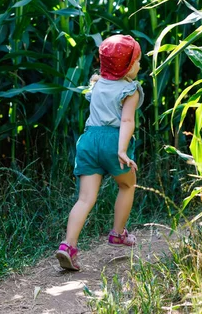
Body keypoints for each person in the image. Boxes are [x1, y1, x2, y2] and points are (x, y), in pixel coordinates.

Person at [55, 34, 143, 271]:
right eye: (136, 61)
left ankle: (68, 246)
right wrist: (122, 150)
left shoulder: (96, 83)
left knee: (85, 199)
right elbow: (126, 120)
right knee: (126, 185)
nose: (139, 65)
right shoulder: (130, 89)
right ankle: (117, 233)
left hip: (89, 140)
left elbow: (96, 91)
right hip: (112, 141)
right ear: (125, 66)